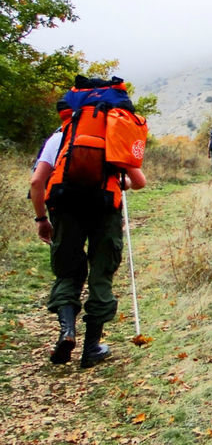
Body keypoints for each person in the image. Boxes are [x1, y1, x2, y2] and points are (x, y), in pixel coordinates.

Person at [30, 78, 148, 368]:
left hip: (64, 206)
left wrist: (42, 219)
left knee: (68, 273)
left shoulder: (59, 138)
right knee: (101, 273)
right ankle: (91, 348)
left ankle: (67, 331)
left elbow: (36, 182)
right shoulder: (113, 134)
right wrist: (121, 182)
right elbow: (139, 182)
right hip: (104, 208)